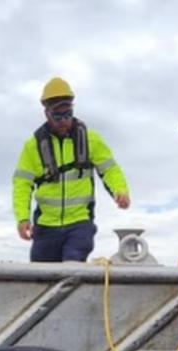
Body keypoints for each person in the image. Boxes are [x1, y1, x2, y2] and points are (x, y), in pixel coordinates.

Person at [12, 77, 130, 263]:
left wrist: (120, 190)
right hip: (45, 227)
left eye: (68, 114)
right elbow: (22, 184)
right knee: (41, 277)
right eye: (57, 117)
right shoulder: (33, 146)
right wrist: (22, 218)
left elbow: (110, 170)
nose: (63, 121)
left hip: (79, 224)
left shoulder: (91, 139)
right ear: (47, 114)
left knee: (72, 268)